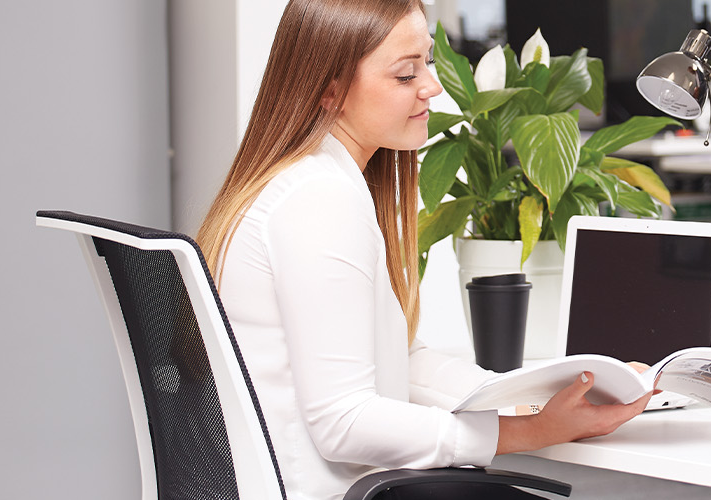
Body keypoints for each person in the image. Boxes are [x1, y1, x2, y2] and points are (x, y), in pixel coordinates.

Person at [194, 1, 653, 499]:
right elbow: (343, 423)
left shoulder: (309, 181)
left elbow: (401, 358)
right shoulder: (318, 200)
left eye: (428, 61)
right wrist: (533, 432)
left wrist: (529, 398)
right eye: (405, 73)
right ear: (330, 91)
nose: (432, 86)